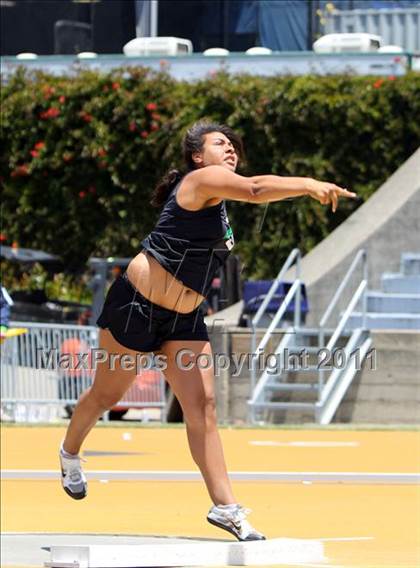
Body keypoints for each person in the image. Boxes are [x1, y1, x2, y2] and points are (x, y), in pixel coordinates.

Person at [59, 121, 356, 541]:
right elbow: (255, 188)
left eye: (233, 144)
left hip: (184, 319)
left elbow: (245, 193)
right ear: (198, 156)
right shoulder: (199, 180)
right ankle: (70, 453)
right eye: (221, 143)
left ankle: (226, 508)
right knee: (107, 395)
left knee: (205, 407)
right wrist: (308, 184)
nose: (231, 148)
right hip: (136, 307)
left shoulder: (219, 203)